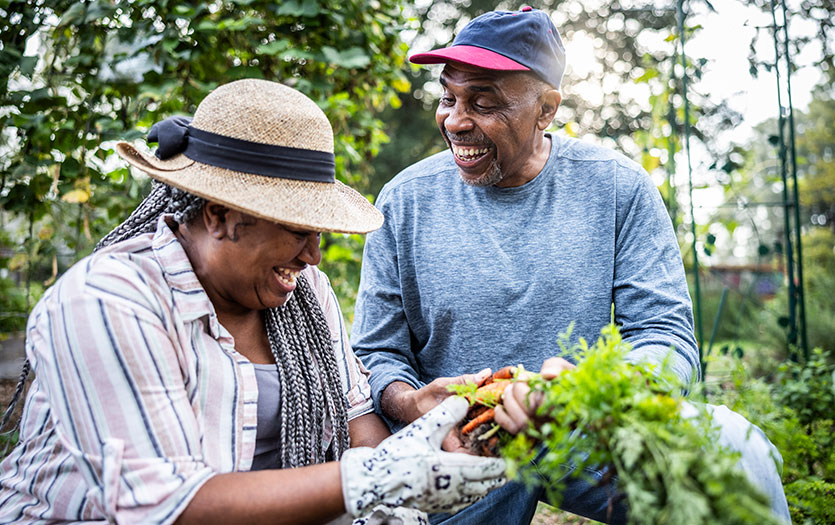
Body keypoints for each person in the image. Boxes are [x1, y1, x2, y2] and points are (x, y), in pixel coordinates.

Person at [350, 8, 790, 524]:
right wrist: (414, 406)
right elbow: (376, 352)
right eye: (449, 98)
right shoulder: (404, 200)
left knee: (738, 451)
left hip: (587, 429)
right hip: (460, 441)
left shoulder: (616, 188)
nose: (455, 120)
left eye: (483, 102)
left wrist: (590, 395)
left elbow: (665, 335)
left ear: (546, 109)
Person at [0, 79, 506, 524]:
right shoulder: (109, 302)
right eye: (296, 230)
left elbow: (356, 421)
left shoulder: (305, 297)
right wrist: (374, 480)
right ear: (219, 215)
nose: (313, 254)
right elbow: (164, 508)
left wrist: (411, 456)